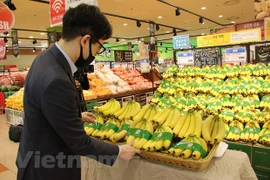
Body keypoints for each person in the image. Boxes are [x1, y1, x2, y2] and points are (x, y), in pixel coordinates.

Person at [16, 4, 140, 180]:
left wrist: (72, 116)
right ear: (85, 40)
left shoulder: (45, 58)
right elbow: (80, 143)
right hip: (48, 169)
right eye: (99, 47)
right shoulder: (57, 79)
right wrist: (119, 150)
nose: (97, 53)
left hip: (33, 160)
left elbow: (42, 108)